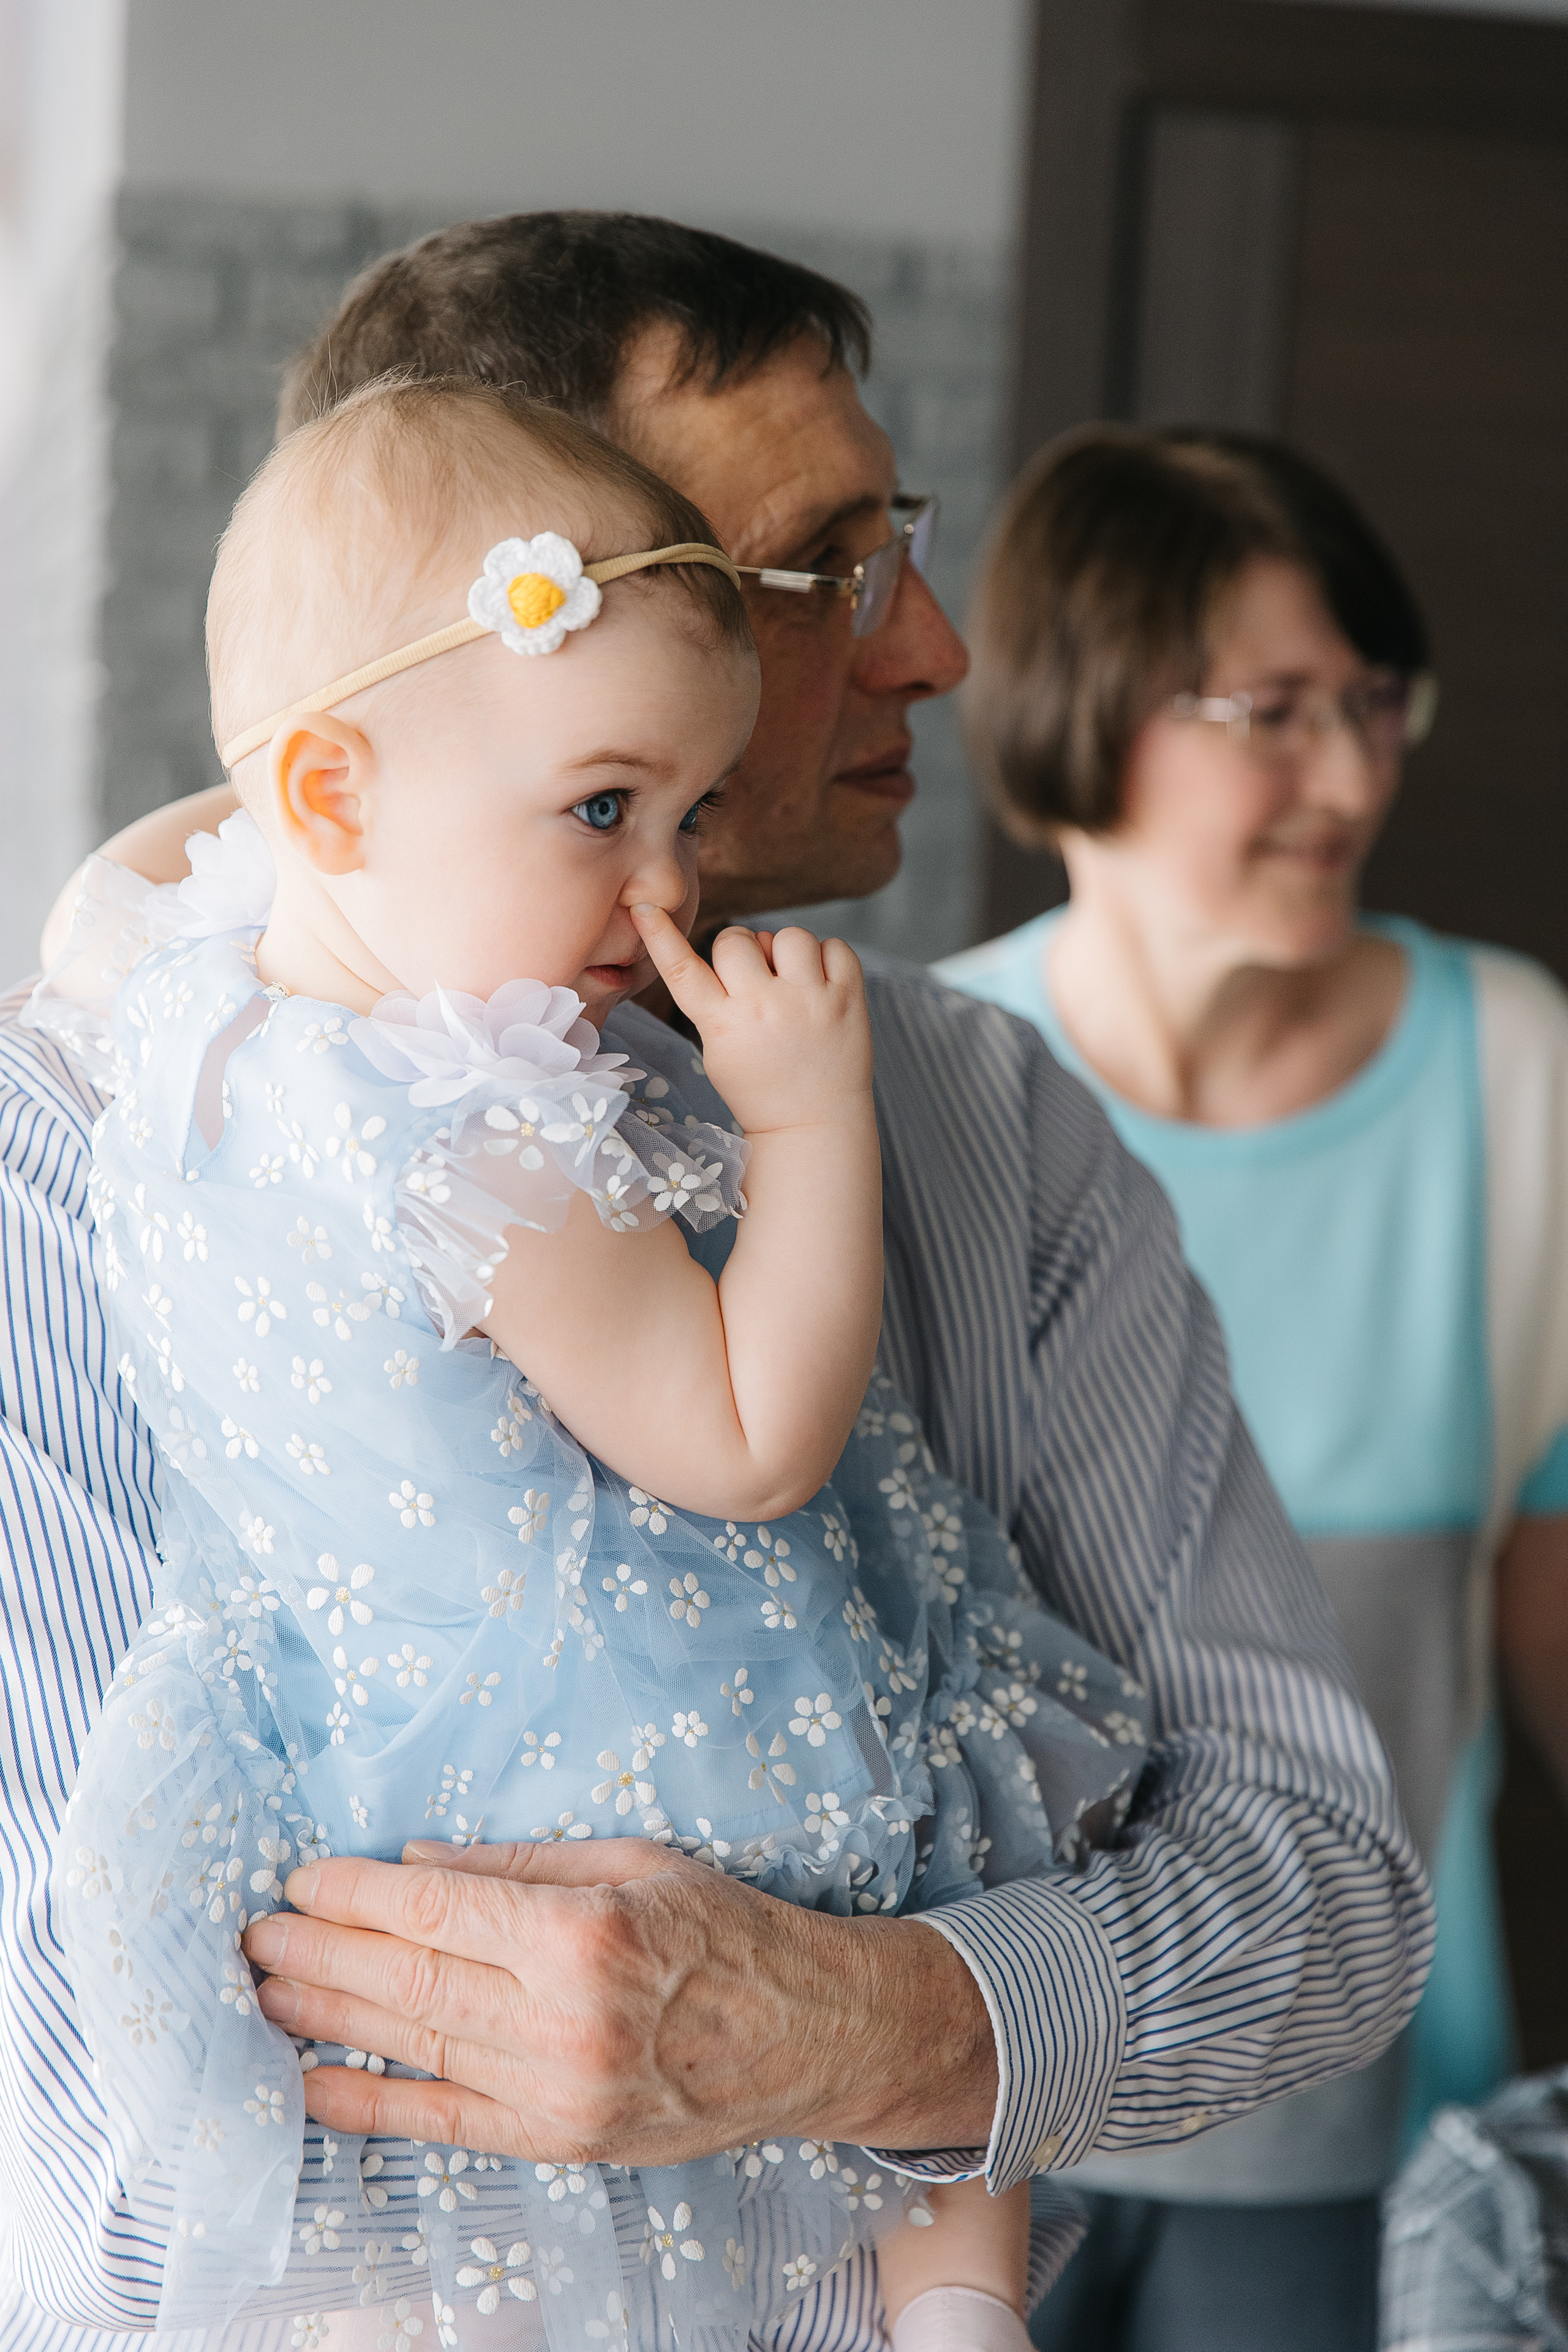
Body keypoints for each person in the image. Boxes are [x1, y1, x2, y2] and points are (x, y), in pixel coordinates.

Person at [0, 217, 1429, 2350]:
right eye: (817, 571)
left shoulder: (981, 1123)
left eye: (901, 545)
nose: (934, 648)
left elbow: (1327, 1897)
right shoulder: (93, 1157)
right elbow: (80, 2146)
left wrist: (889, 2020)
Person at [939, 424, 1568, 2350]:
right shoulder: (936, 1080)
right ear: (1086, 713)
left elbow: (1544, 1581)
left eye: (1375, 706)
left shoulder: (1514, 1067)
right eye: (1273, 714)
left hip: (1355, 2125)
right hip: (961, 2121)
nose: (1353, 777)